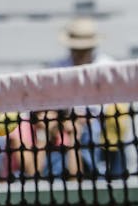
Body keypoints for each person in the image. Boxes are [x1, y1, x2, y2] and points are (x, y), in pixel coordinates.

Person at [44, 18, 129, 179]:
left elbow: (110, 105)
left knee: (93, 130)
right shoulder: (57, 68)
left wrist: (85, 119)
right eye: (75, 49)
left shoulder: (107, 66)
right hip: (64, 123)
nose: (79, 53)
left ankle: (95, 176)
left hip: (99, 125)